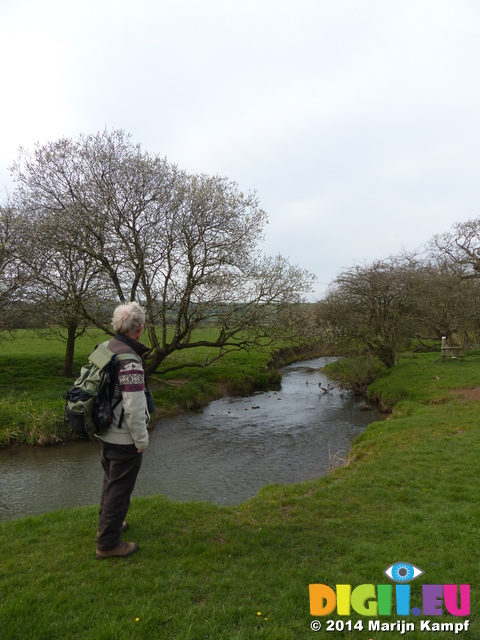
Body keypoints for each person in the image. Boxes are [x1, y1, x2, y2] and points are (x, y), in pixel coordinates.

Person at [96, 301, 150, 559]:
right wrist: (141, 441)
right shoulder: (130, 360)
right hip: (123, 435)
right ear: (139, 328)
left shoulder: (105, 347)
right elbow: (134, 408)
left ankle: (109, 526)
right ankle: (108, 544)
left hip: (105, 427)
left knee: (111, 482)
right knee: (119, 489)